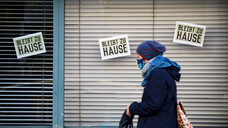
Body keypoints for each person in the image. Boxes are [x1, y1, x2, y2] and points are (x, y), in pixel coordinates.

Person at [126, 40, 181, 128]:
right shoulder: (164, 71)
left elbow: (153, 105)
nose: (138, 61)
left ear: (146, 58)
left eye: (139, 58)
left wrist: (133, 108)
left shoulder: (157, 74)